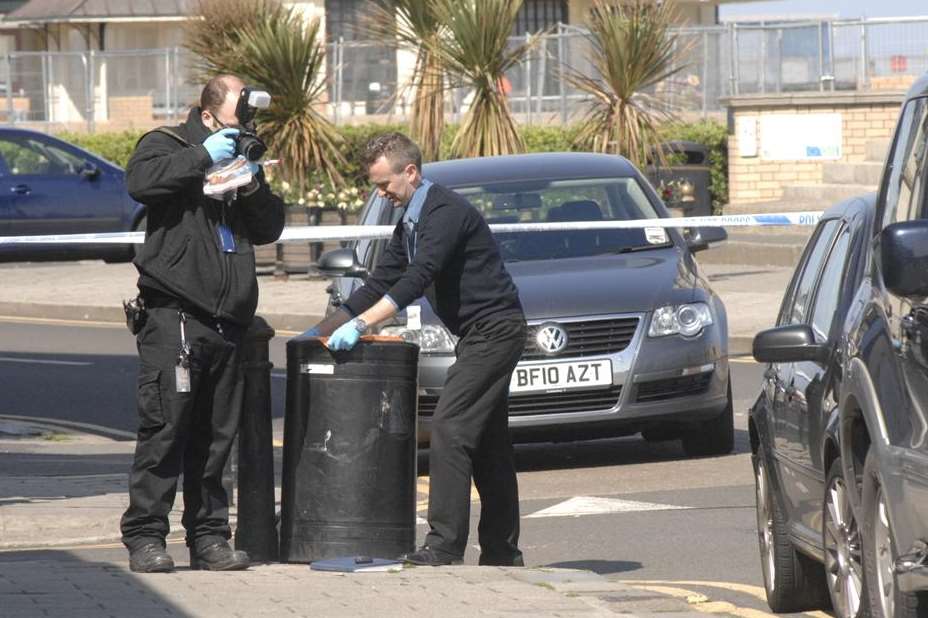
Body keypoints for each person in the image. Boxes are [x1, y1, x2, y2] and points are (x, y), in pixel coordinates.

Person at [308, 132, 527, 567]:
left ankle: (444, 545)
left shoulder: (444, 212)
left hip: (496, 332)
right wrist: (320, 330)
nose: (381, 194)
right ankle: (503, 553)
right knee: (488, 444)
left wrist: (362, 324)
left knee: (449, 428)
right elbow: (380, 280)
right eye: (376, 185)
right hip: (476, 336)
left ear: (410, 172)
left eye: (385, 184)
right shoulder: (410, 219)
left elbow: (416, 278)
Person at [120, 75, 286, 573]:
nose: (244, 129)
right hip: (177, 317)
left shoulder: (242, 152)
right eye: (237, 119)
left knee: (216, 440)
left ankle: (210, 537)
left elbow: (270, 227)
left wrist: (251, 181)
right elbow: (140, 183)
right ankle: (146, 536)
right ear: (210, 115)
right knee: (166, 431)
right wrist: (203, 157)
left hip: (227, 323)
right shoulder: (167, 144)